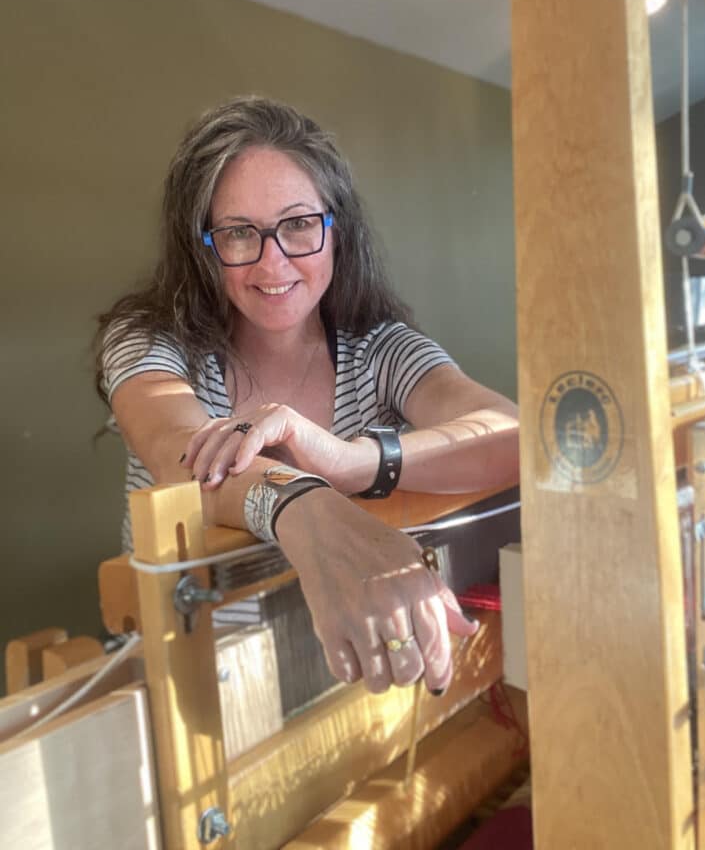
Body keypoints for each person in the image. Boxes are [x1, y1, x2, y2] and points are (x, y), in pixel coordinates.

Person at [95, 95, 520, 696]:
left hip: (339, 688)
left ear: (335, 229)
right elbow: (177, 450)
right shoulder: (149, 343)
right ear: (203, 246)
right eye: (239, 233)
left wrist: (349, 462)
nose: (273, 262)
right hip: (179, 697)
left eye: (298, 224)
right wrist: (303, 503)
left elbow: (511, 435)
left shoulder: (382, 350)